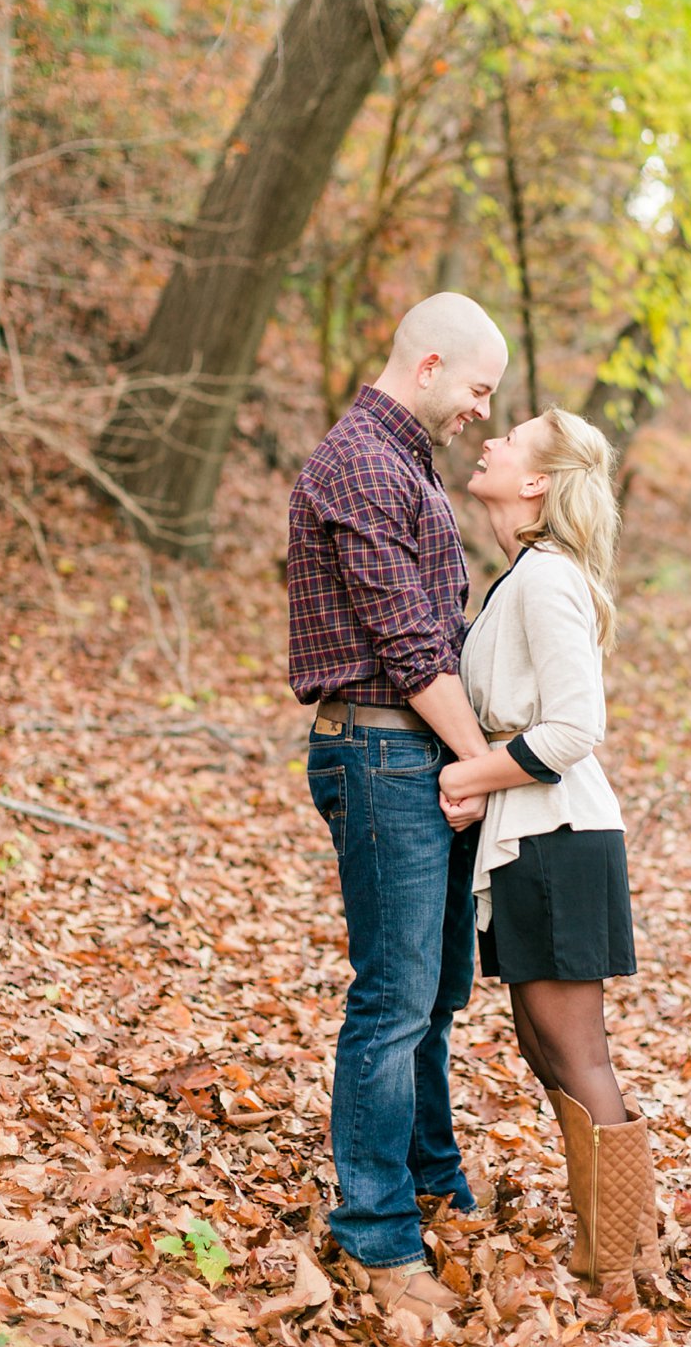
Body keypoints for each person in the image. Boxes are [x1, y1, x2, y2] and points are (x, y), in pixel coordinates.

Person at [288, 293, 510, 1324]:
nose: (481, 410)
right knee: (393, 996)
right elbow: (410, 645)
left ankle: (433, 1178)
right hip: (381, 752)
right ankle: (377, 1234)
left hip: (411, 749)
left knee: (433, 991)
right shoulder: (362, 464)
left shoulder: (404, 455)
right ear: (428, 364)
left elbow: (435, 631)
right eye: (477, 388)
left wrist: (459, 761)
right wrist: (479, 765)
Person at [436, 406, 665, 1305]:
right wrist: (483, 781)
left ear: (535, 481)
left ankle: (626, 1258)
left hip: (561, 838)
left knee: (578, 1053)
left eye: (511, 437)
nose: (489, 440)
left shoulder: (546, 580)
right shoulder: (523, 576)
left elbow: (576, 725)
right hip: (534, 836)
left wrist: (474, 773)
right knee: (544, 1047)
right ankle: (608, 1243)